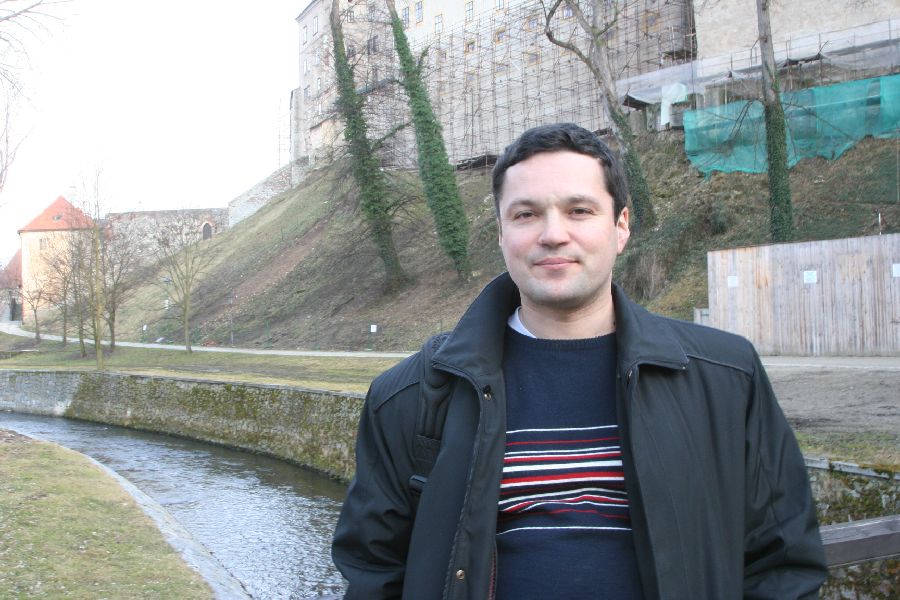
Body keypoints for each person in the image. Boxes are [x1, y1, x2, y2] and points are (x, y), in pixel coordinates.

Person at [332, 123, 827, 599]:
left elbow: (781, 561)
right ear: (501, 233)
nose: (553, 234)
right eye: (526, 214)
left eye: (579, 210)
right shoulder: (411, 396)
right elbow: (374, 572)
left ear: (621, 226)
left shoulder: (726, 377)